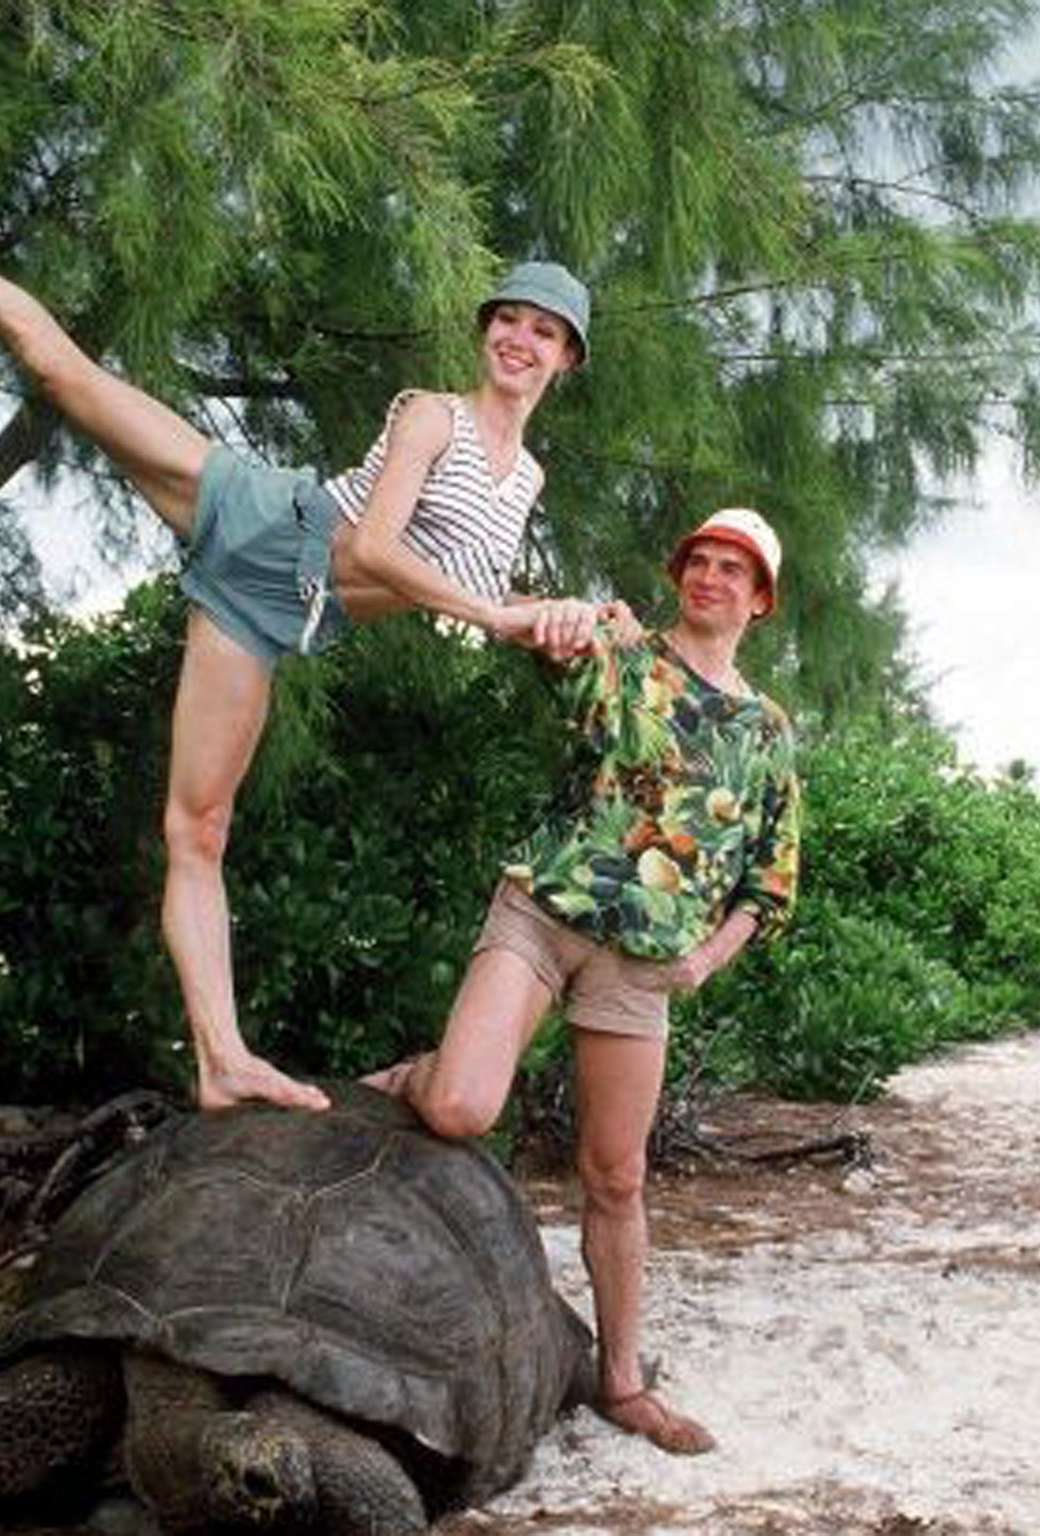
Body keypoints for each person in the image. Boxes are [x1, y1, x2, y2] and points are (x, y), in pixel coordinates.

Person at [0, 128, 622, 1113]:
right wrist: (500, 614)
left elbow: (467, 584)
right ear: (485, 327)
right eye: (510, 319)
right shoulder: (429, 416)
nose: (519, 340)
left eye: (544, 332)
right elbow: (372, 551)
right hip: (253, 513)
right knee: (56, 365)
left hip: (266, 614)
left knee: (197, 827)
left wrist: (571, 616)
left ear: (566, 360)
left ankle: (221, 1060)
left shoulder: (523, 477)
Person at [367, 508, 802, 1457]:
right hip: (543, 912)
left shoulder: (766, 733)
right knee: (462, 1108)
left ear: (760, 600)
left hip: (642, 965)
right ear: (680, 573)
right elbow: (531, 633)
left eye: (735, 570)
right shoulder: (621, 652)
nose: (712, 578)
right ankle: (417, 1076)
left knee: (617, 1175)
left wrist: (702, 960)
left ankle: (620, 1381)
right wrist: (554, 615)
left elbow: (769, 881)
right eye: (701, 561)